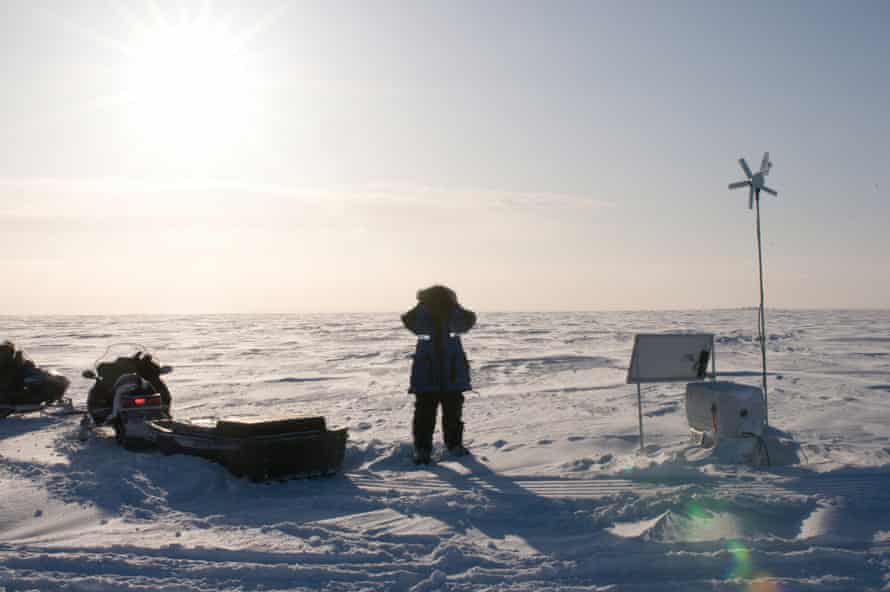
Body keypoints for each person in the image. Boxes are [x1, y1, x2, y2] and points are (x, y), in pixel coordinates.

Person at [401, 285, 476, 464]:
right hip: (431, 375)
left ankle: (444, 447)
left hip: (446, 375)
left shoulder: (453, 315)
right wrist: (426, 304)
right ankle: (428, 449)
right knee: (431, 415)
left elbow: (467, 321)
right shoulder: (421, 316)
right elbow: (410, 321)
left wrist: (451, 305)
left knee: (443, 414)